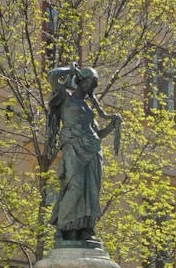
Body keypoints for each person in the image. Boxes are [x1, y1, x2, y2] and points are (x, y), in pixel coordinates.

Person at [46, 65, 121, 245]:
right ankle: (64, 227)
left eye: (93, 85)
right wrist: (70, 70)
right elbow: (52, 76)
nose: (90, 87)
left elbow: (97, 134)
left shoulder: (88, 110)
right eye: (89, 82)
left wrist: (113, 125)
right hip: (73, 147)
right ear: (81, 79)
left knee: (91, 192)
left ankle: (82, 230)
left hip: (93, 151)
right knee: (75, 186)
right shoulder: (65, 97)